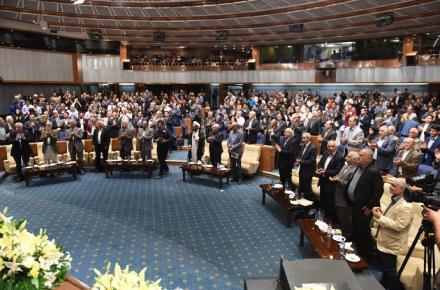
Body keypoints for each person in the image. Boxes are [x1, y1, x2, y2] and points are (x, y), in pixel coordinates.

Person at [371, 178, 413, 290]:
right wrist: (380, 213)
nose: (390, 187)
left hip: (392, 244)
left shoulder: (406, 207)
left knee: (390, 271)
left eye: (393, 185)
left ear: (402, 189)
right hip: (385, 240)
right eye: (391, 184)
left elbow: (398, 226)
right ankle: (382, 285)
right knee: (385, 268)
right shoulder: (394, 199)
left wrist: (380, 217)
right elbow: (391, 216)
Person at [346, 148, 384, 261]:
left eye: (361, 155)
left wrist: (369, 206)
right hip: (355, 204)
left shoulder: (374, 172)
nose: (358, 157)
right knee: (356, 229)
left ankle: (365, 257)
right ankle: (357, 252)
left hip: (364, 208)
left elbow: (378, 191)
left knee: (363, 232)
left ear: (368, 158)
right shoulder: (359, 167)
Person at [330, 151, 360, 240]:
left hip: (344, 198)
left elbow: (349, 184)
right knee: (338, 215)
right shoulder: (346, 165)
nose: (346, 158)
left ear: (354, 160)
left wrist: (338, 180)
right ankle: (340, 232)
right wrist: (336, 178)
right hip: (337, 194)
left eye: (349, 156)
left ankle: (347, 237)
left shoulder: (355, 170)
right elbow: (339, 175)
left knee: (344, 218)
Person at [316, 140, 345, 223]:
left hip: (331, 182)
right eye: (329, 146)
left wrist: (325, 172)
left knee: (329, 202)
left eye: (333, 146)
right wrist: (319, 168)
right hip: (323, 180)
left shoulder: (340, 157)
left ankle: (328, 219)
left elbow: (338, 170)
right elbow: (320, 163)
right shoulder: (325, 153)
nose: (331, 148)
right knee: (322, 199)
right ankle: (322, 216)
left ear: (336, 147)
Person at [296, 132, 317, 200]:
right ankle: (301, 200)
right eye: (302, 138)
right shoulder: (302, 145)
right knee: (301, 185)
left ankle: (310, 203)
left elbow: (312, 161)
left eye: (304, 138)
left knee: (307, 187)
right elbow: (300, 155)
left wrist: (301, 161)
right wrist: (298, 161)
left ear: (308, 138)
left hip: (308, 171)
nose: (302, 140)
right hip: (302, 169)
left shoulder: (313, 147)